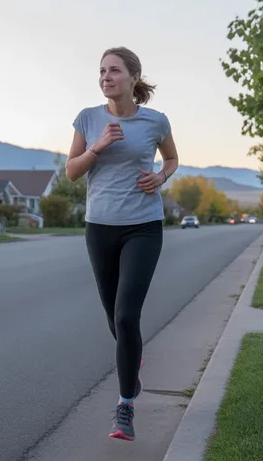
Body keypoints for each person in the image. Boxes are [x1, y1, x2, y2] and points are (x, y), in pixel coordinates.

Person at [65, 46, 179, 441]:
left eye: (114, 71)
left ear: (133, 77)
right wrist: (97, 147)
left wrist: (161, 178)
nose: (105, 77)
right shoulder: (88, 119)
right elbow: (71, 174)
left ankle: (125, 406)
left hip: (143, 226)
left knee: (127, 315)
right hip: (100, 228)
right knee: (114, 318)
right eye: (101, 71)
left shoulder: (155, 121)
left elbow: (172, 160)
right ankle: (133, 362)